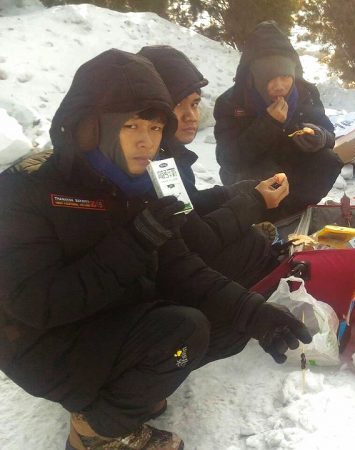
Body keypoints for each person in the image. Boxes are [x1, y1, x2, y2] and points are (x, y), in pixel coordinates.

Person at [0, 49, 311, 450]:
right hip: (38, 343)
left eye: (153, 126)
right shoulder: (28, 190)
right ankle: (95, 431)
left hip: (106, 313)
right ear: (88, 127)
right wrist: (135, 242)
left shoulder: (140, 183)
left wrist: (256, 314)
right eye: (130, 126)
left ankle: (131, 388)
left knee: (226, 324)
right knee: (183, 331)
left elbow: (182, 265)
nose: (146, 141)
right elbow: (34, 304)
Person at [139, 45, 287, 288]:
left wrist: (233, 192)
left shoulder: (167, 151)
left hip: (169, 262)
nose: (191, 116)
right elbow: (197, 241)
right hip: (161, 280)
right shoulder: (153, 162)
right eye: (178, 105)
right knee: (252, 242)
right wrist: (255, 201)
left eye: (195, 104)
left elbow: (187, 205)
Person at [214, 21, 342, 216]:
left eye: (285, 76)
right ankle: (262, 216)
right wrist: (268, 124)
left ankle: (294, 213)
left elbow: (330, 136)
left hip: (292, 169)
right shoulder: (232, 103)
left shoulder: (305, 94)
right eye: (271, 78)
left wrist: (320, 137)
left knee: (329, 160)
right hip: (251, 174)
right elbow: (229, 160)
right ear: (254, 77)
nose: (280, 86)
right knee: (264, 173)